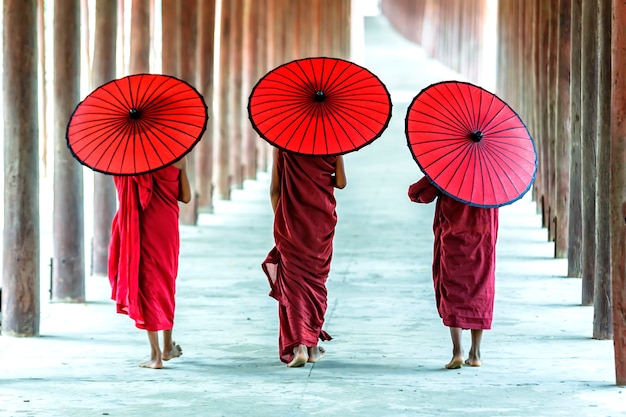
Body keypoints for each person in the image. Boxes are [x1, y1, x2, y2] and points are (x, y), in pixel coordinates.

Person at [262, 148, 347, 367]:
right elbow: (341, 183)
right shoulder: (333, 142)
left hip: (290, 222)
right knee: (315, 282)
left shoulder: (282, 144)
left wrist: (281, 219)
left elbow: (275, 189)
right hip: (321, 221)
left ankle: (300, 346)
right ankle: (310, 346)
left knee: (293, 281)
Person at [108, 157, 191, 369]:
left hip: (141, 223)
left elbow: (124, 192)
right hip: (166, 224)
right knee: (166, 281)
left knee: (146, 283)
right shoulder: (179, 156)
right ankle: (167, 346)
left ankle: (155, 355)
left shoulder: (128, 160)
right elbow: (186, 196)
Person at [408, 176, 498, 369]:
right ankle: (476, 353)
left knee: (453, 290)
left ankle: (457, 352)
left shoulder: (449, 171)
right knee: (480, 290)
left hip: (453, 239)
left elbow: (418, 195)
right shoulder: (492, 175)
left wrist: (434, 178)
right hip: (483, 240)